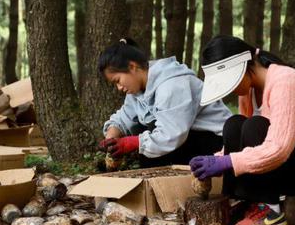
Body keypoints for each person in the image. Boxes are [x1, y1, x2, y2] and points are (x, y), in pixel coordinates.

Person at [190, 35, 295, 225]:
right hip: (287, 165)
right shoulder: (249, 91)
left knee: (254, 126)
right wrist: (215, 160)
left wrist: (228, 162)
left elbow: (278, 148)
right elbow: (242, 142)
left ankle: (268, 208)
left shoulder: (285, 82)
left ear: (245, 67)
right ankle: (238, 201)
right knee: (234, 124)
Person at [98, 38, 232, 169]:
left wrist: (132, 142)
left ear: (132, 67)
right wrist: (111, 139)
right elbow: (124, 118)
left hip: (217, 142)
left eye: (118, 80)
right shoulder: (136, 91)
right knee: (149, 149)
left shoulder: (172, 85)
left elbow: (171, 135)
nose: (119, 88)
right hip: (186, 139)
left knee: (152, 152)